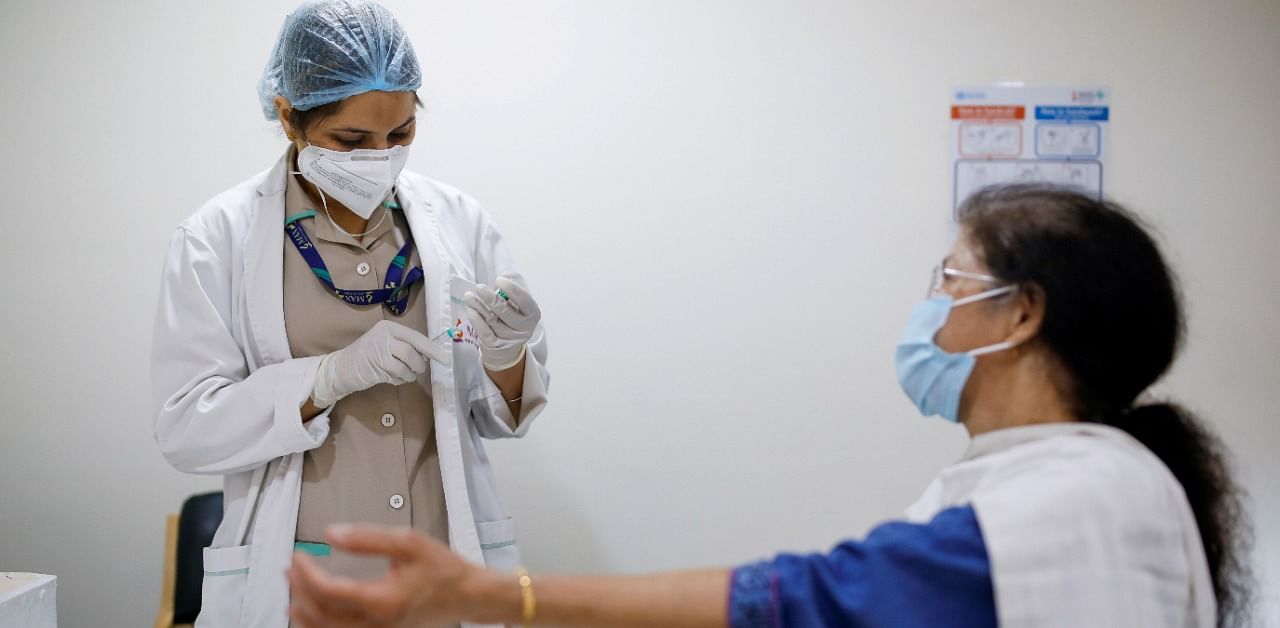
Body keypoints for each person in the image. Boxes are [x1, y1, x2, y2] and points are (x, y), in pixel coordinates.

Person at [286, 185, 1252, 628]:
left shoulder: (1068, 505)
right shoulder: (1087, 481)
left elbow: (812, 598)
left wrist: (488, 594)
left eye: (950, 280)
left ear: (1023, 315)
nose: (931, 310)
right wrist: (323, 380)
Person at [150, 1, 551, 625]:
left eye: (401, 134)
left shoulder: (459, 222)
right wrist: (325, 379)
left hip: (440, 581)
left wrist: (507, 358)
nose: (381, 156)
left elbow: (504, 417)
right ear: (289, 116)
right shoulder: (217, 238)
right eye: (352, 139)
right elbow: (187, 429)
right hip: (305, 585)